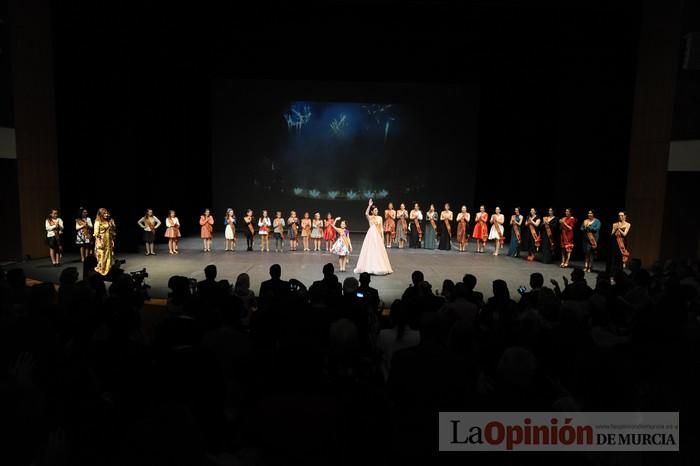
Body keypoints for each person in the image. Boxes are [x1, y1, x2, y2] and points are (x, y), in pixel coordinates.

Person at [354, 199, 393, 275]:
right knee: (371, 250)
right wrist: (369, 206)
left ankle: (379, 266)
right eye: (375, 210)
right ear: (372, 211)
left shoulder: (380, 218)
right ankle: (370, 267)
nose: (376, 211)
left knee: (378, 251)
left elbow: (381, 228)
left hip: (377, 235)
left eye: (377, 210)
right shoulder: (370, 217)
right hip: (371, 235)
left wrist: (382, 237)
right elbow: (366, 213)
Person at [93, 208, 116, 276]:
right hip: (101, 241)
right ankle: (101, 270)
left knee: (108, 255)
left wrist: (112, 240)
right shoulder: (97, 222)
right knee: (102, 256)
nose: (106, 214)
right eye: (104, 213)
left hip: (108, 241)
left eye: (107, 213)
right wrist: (99, 242)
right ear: (100, 214)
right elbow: (96, 234)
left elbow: (111, 231)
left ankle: (108, 269)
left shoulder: (108, 221)